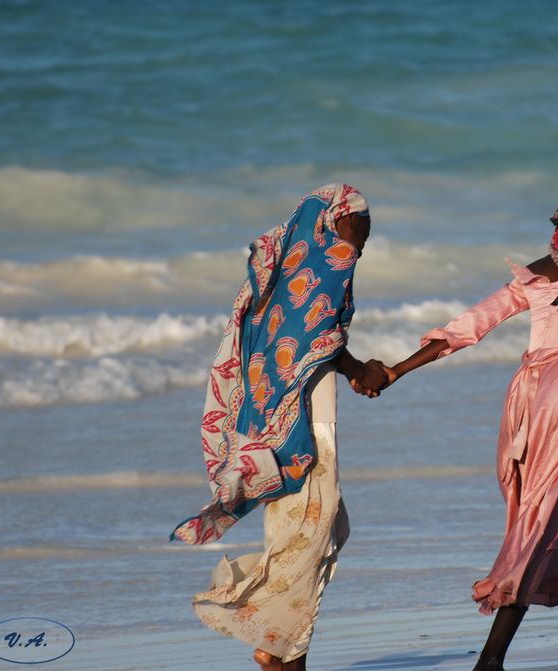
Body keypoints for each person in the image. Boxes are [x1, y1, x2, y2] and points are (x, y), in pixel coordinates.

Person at [383, 185, 558, 671]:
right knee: (542, 520)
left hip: (525, 397)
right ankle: (490, 658)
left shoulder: (544, 267)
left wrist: (397, 370)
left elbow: (471, 324)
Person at [170, 184, 387, 671]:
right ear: (338, 221)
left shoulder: (284, 270)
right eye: (362, 222)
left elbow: (311, 336)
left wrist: (354, 369)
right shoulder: (331, 263)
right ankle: (273, 641)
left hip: (271, 427)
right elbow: (319, 337)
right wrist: (362, 372)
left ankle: (284, 643)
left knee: (318, 531)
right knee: (312, 528)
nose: (367, 233)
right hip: (304, 428)